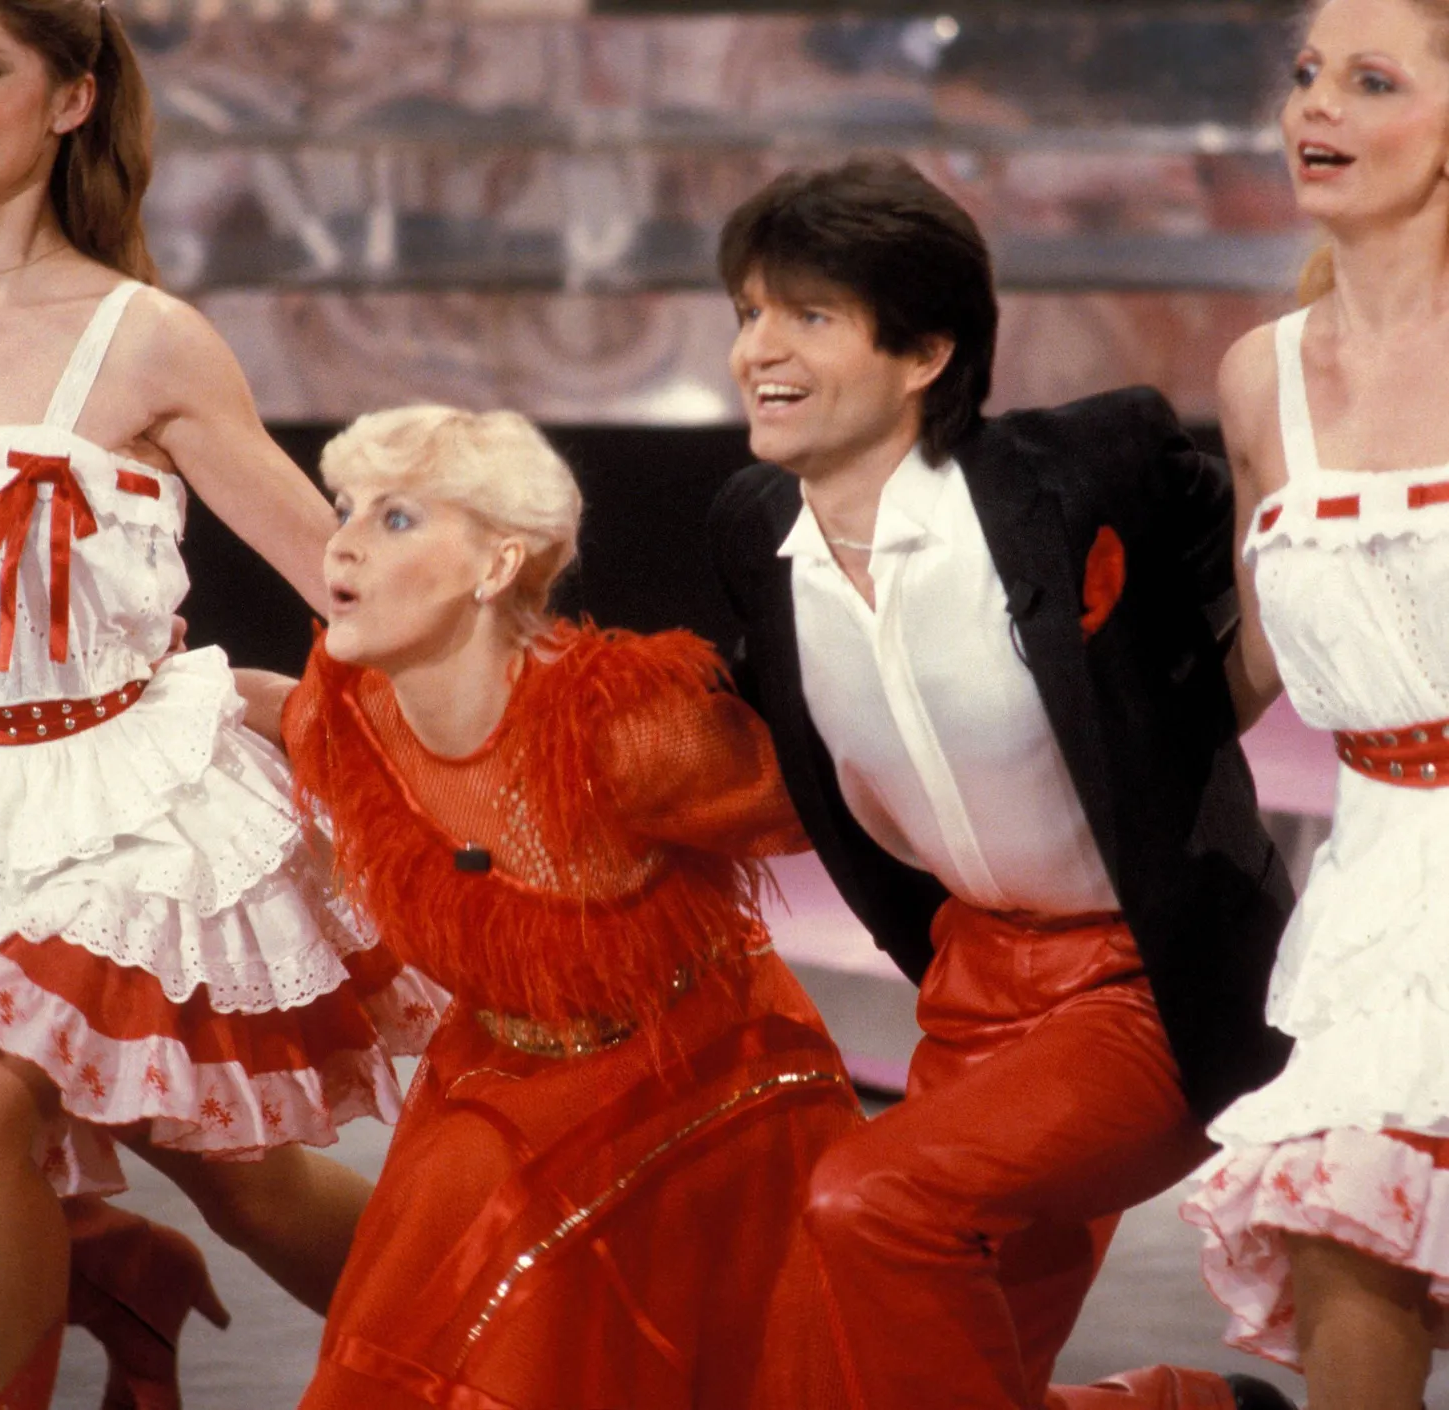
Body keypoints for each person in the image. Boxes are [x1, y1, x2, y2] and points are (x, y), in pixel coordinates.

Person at [0, 0, 441, 1402]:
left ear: (70, 101)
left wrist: (467, 695)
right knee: (249, 1188)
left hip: (124, 802)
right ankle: (510, 1352)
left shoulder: (146, 338)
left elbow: (336, 566)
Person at [705, 156, 1297, 1410]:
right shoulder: (752, 530)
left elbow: (1247, 582)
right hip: (972, 980)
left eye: (806, 315)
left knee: (868, 1200)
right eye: (747, 312)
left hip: (1143, 981)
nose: (758, 347)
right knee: (825, 1384)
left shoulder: (1085, 470)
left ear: (921, 353)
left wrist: (1190, 722)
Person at [277, 405, 865, 1410]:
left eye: (398, 518)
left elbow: (842, 804)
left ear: (495, 566)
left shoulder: (624, 730)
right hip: (509, 1065)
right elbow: (264, 708)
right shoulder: (341, 711)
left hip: (704, 1075)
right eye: (346, 507)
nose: (344, 539)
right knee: (437, 1278)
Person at [1181, 1, 1449, 1405]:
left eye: (1368, 79)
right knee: (1354, 1236)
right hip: (1378, 881)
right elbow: (1255, 658)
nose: (1313, 110)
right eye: (1303, 79)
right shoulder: (1260, 374)